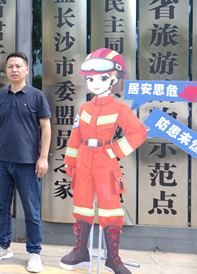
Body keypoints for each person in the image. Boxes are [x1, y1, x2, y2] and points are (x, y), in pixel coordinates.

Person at [60, 48, 147, 274]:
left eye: (102, 78)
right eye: (90, 79)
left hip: (105, 160)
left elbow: (138, 133)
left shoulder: (120, 109)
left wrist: (114, 151)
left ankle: (113, 259)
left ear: (115, 78)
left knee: (110, 208)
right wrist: (70, 161)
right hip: (83, 160)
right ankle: (81, 253)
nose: (95, 83)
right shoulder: (85, 107)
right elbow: (76, 136)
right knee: (81, 205)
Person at [0, 51, 51, 273]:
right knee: (1, 207)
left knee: (32, 210)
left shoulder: (36, 96)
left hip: (28, 164)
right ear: (6, 70)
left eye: (18, 66)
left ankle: (34, 252)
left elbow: (46, 127)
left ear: (26, 70)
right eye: (10, 66)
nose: (14, 69)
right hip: (3, 162)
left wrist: (43, 158)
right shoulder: (0, 98)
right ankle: (3, 247)